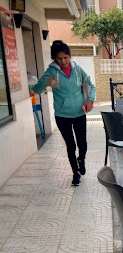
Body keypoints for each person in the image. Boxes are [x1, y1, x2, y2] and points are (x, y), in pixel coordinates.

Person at [31, 40, 96, 186]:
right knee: (70, 145)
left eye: (66, 57)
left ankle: (81, 159)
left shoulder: (77, 70)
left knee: (82, 144)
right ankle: (75, 173)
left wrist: (90, 100)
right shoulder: (51, 71)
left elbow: (91, 86)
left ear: (69, 56)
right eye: (59, 58)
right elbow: (37, 89)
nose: (63, 61)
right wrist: (47, 82)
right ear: (55, 58)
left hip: (79, 113)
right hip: (62, 116)